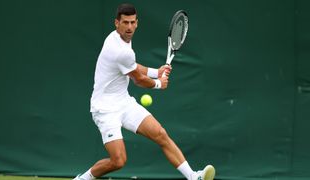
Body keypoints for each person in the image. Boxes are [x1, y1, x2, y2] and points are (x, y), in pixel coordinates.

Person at [74, 3, 215, 180]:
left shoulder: (123, 42)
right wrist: (158, 83)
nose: (129, 27)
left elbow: (133, 67)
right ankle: (82, 179)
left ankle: (194, 177)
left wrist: (157, 72)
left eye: (133, 22)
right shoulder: (118, 48)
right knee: (118, 161)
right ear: (116, 23)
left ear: (137, 23)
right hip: (105, 109)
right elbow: (138, 79)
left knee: (161, 134)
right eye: (125, 23)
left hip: (124, 102)